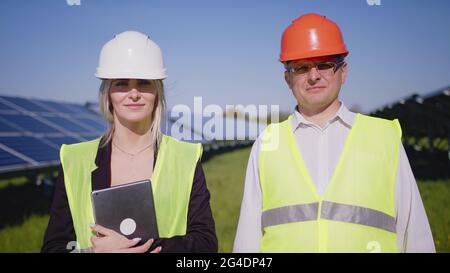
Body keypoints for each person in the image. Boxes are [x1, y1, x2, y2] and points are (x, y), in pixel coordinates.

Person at [233, 13, 435, 253]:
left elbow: (416, 237)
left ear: (343, 71)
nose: (314, 75)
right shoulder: (267, 143)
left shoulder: (384, 138)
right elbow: (247, 240)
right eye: (301, 67)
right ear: (287, 78)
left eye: (325, 64)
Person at [42, 31, 218, 253]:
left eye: (144, 83)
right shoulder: (74, 160)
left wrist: (144, 249)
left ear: (157, 92)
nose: (133, 93)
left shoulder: (185, 157)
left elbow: (206, 244)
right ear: (107, 94)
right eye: (122, 83)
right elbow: (53, 247)